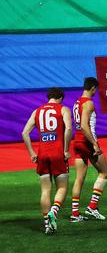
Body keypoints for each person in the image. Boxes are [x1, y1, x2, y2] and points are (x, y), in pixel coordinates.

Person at [22, 88, 72, 234]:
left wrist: (32, 153)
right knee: (62, 188)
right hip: (57, 153)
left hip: (42, 154)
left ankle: (47, 224)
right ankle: (53, 212)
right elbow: (68, 128)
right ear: (60, 97)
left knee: (45, 190)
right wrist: (66, 149)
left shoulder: (37, 111)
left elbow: (24, 133)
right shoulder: (63, 109)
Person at [71, 77, 107, 221]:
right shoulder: (89, 103)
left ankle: (75, 213)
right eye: (96, 89)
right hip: (87, 141)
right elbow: (84, 125)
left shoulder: (76, 103)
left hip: (77, 141)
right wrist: (94, 143)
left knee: (79, 178)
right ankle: (92, 207)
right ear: (93, 88)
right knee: (105, 172)